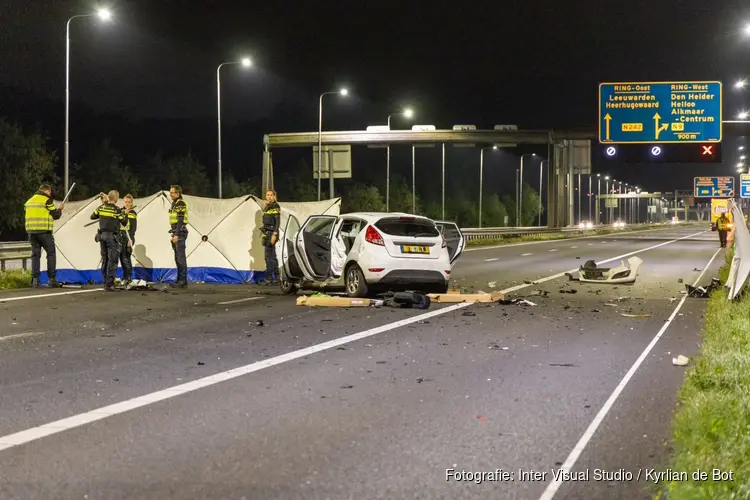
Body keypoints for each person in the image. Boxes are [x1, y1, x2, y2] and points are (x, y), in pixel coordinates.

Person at [24, 184, 64, 288]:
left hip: (31, 233)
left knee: (35, 255)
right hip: (44, 232)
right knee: (51, 254)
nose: (50, 194)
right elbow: (55, 215)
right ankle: (52, 280)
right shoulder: (46, 200)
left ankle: (34, 280)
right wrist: (60, 210)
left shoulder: (29, 201)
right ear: (47, 191)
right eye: (50, 192)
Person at [91, 190, 128, 291]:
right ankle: (109, 284)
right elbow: (124, 222)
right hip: (112, 237)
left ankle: (105, 281)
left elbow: (93, 216)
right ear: (115, 198)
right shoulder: (116, 210)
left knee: (105, 259)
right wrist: (125, 214)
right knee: (113, 260)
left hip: (102, 236)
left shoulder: (101, 207)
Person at [168, 185, 189, 288]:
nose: (170, 194)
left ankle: (182, 281)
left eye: (172, 192)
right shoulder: (175, 203)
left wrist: (176, 234)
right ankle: (180, 280)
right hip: (176, 231)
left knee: (180, 257)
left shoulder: (180, 203)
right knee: (177, 257)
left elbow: (180, 220)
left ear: (178, 193)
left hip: (179, 232)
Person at [261, 189, 280, 285]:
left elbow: (277, 222)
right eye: (267, 195)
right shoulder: (268, 207)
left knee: (268, 256)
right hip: (267, 232)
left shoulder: (275, 206)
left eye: (270, 195)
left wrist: (274, 234)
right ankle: (276, 277)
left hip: (271, 233)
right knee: (273, 256)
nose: (268, 197)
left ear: (274, 196)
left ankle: (269, 278)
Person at [118, 194, 138, 285]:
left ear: (131, 203)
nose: (127, 204)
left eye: (129, 202)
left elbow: (133, 228)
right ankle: (125, 277)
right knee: (121, 258)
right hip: (120, 236)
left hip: (127, 236)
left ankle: (128, 277)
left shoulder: (132, 213)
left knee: (126, 258)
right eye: (126, 202)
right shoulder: (120, 211)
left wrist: (131, 239)